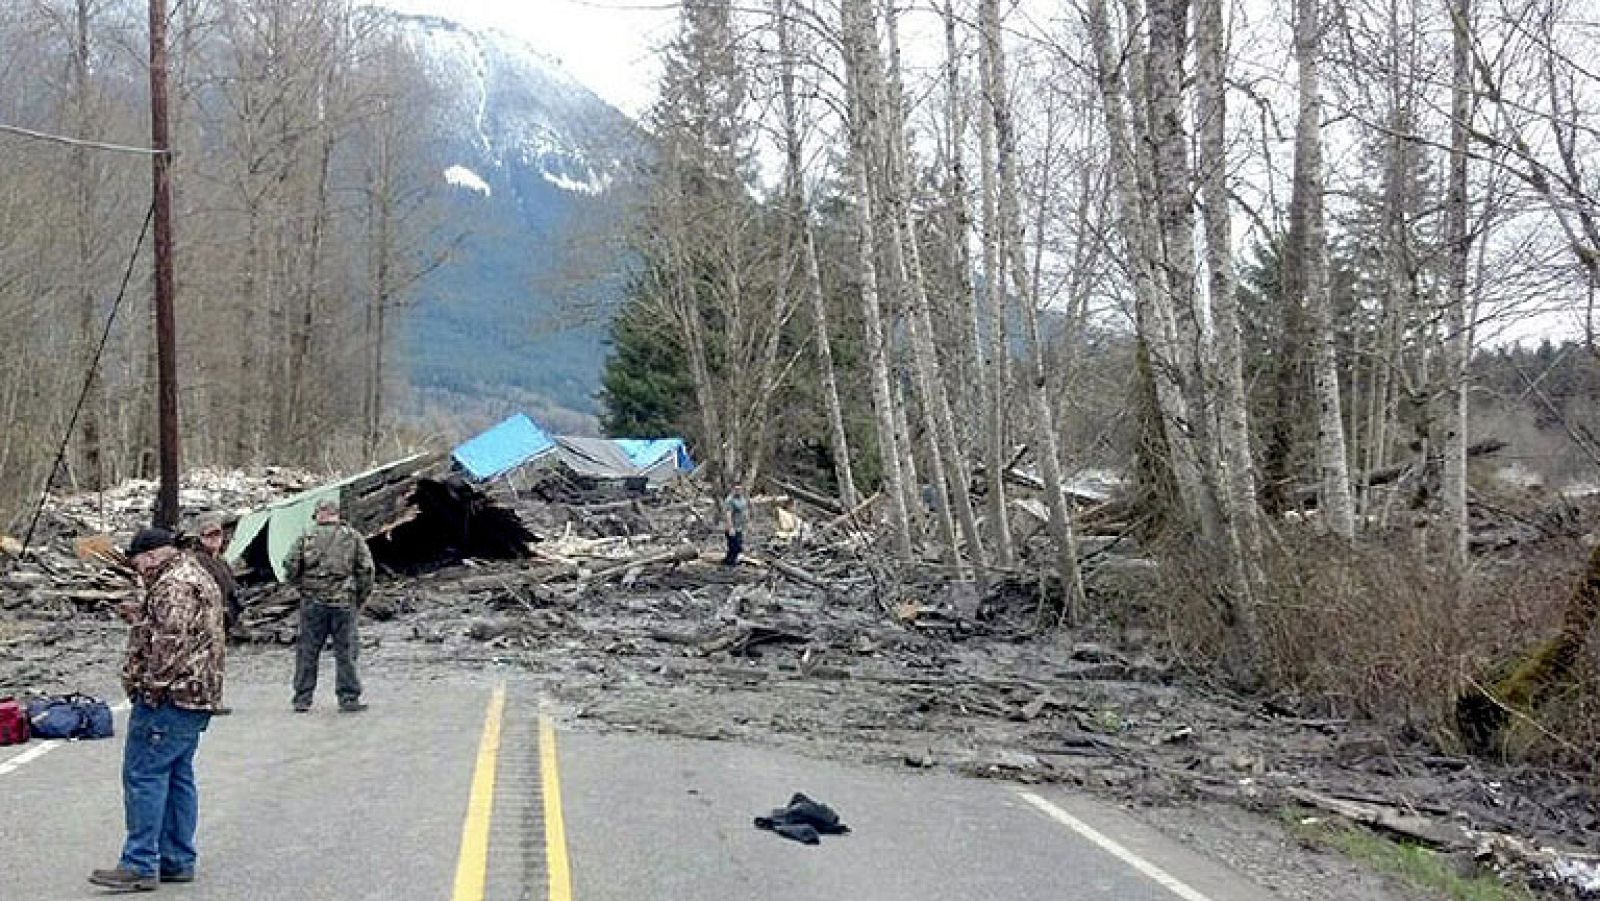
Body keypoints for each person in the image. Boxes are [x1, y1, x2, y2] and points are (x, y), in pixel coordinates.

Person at [89, 527, 225, 892]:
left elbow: (170, 647)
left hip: (170, 697)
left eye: (138, 564)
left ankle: (139, 863)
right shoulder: (195, 574)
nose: (138, 571)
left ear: (150, 556)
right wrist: (141, 617)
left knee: (144, 775)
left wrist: (145, 688)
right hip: (195, 695)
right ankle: (177, 858)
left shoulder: (173, 586)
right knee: (178, 776)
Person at [285, 498, 374, 713]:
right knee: (346, 650)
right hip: (344, 603)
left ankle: (302, 698)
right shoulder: (353, 537)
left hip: (313, 603)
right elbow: (366, 570)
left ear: (319, 514)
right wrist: (359, 598)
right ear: (337, 514)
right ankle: (348, 698)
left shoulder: (305, 537)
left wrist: (303, 589)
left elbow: (290, 566)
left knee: (308, 650)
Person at [722, 482, 750, 566]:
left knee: (735, 546)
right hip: (732, 527)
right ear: (733, 490)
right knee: (735, 547)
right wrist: (730, 527)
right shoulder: (730, 500)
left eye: (740, 489)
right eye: (736, 489)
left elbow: (745, 511)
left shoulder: (743, 499)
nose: (738, 491)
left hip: (740, 527)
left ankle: (727, 561)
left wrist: (748, 523)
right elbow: (728, 514)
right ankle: (731, 564)